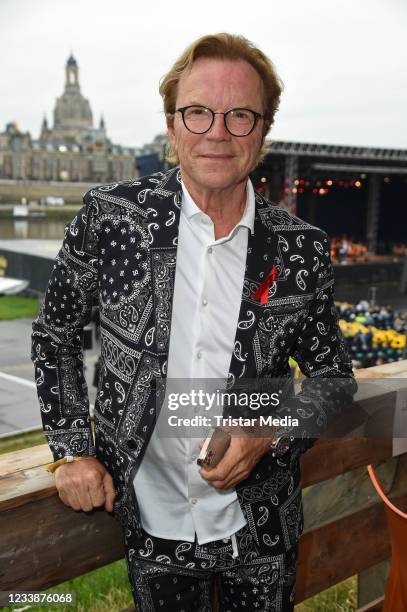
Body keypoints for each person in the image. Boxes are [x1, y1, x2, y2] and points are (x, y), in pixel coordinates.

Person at [31, 33, 356, 612]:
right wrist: (71, 448)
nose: (217, 132)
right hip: (147, 521)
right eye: (199, 112)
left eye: (239, 116)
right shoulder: (112, 218)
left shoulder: (300, 250)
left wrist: (271, 430)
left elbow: (335, 380)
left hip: (260, 526)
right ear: (172, 124)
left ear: (263, 130)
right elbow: (54, 337)